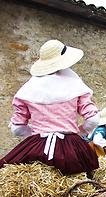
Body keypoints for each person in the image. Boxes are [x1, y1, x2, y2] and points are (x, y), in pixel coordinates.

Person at [0, 39, 99, 175]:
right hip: (71, 147)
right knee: (81, 184)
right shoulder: (75, 84)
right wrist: (79, 132)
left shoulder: (28, 89)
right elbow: (93, 120)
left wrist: (36, 135)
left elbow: (17, 129)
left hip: (37, 146)